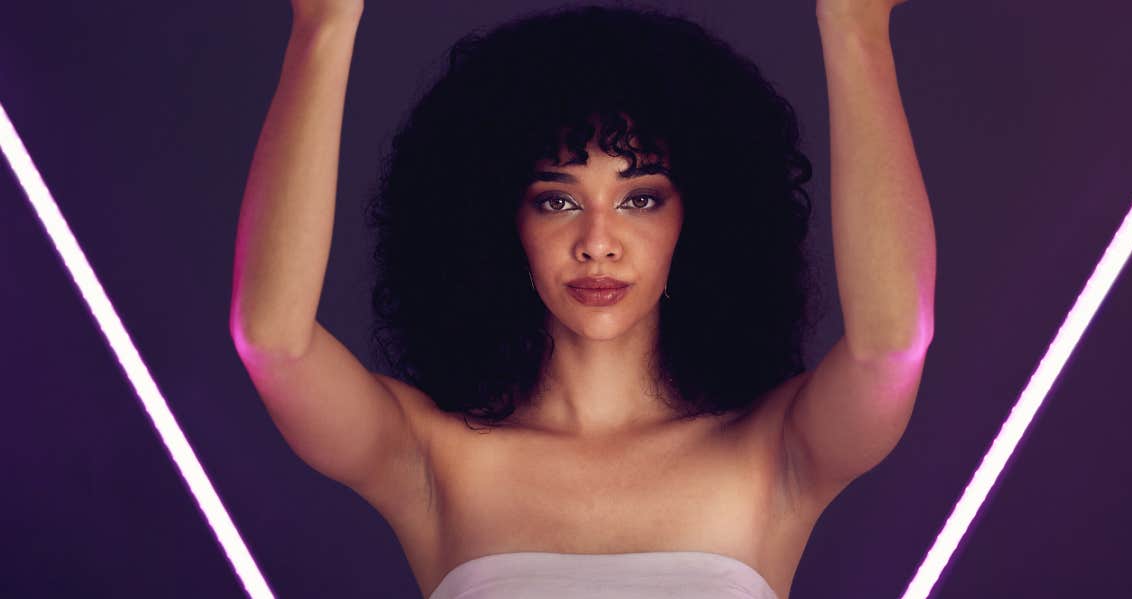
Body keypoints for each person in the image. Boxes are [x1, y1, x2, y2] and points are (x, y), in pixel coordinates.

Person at [230, 1, 934, 597]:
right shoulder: (428, 457)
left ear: (702, 220)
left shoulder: (775, 450)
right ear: (503, 223)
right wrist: (322, 25)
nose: (599, 241)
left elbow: (890, 346)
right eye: (559, 199)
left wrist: (855, 27)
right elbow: (274, 343)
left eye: (641, 198)